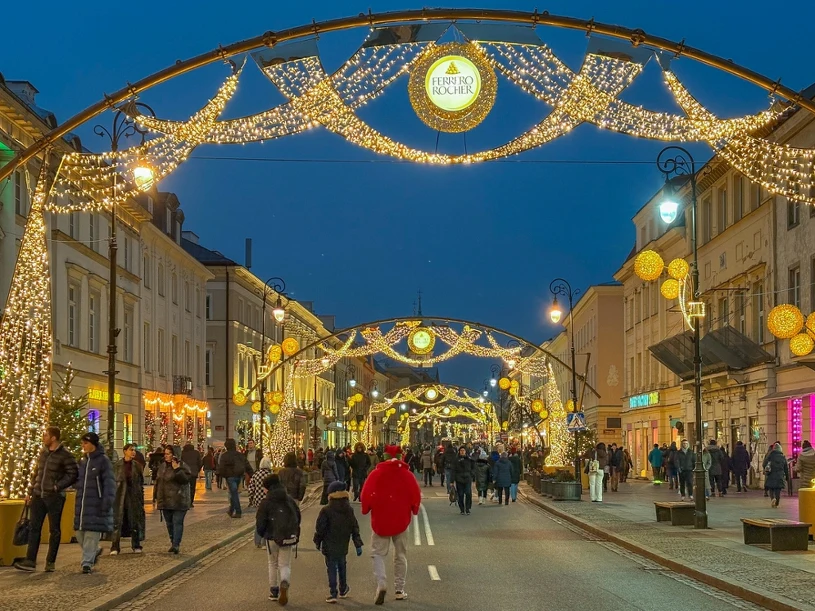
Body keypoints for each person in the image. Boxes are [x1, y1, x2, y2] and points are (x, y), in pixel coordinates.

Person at [361, 445, 421, 605]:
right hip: (401, 519)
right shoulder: (407, 475)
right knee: (400, 555)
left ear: (384, 457)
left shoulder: (376, 474)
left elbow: (365, 493)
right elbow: (415, 494)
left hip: (381, 519)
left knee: (378, 553)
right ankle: (400, 589)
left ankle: (381, 583)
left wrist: (366, 508)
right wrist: (414, 509)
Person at [13, 426, 78, 573]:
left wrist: (57, 486)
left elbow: (73, 473)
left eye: (46, 435)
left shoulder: (65, 455)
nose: (43, 437)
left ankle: (50, 562)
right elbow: (36, 473)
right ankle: (30, 561)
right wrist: (30, 491)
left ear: (53, 438)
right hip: (38, 495)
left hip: (54, 497)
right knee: (34, 528)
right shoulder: (43, 453)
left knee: (54, 529)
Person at [315, 480, 364, 603]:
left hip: (329, 543)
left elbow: (320, 528)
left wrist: (317, 541)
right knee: (342, 565)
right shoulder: (349, 510)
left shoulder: (326, 510)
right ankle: (343, 589)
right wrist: (357, 543)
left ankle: (333, 593)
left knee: (331, 567)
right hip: (343, 543)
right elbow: (354, 527)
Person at [256, 474, 302, 605]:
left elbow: (260, 522)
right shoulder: (289, 499)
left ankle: (274, 591)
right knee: (285, 564)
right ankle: (285, 581)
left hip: (272, 536)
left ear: (268, 487)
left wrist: (263, 534)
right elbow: (298, 516)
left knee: (272, 563)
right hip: (287, 536)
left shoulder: (266, 502)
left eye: (264, 488)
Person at [73, 432, 115, 574]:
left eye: (85, 443)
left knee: (91, 535)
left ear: (93, 444)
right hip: (83, 506)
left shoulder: (103, 461)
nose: (83, 446)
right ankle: (94, 551)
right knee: (80, 534)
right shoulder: (83, 461)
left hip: (96, 505)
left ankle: (87, 563)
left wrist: (106, 503)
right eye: (82, 443)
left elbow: (109, 483)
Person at [110, 443, 146, 555]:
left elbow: (140, 482)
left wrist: (141, 497)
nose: (133, 452)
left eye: (134, 450)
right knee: (117, 521)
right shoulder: (117, 466)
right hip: (120, 497)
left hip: (133, 496)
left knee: (134, 521)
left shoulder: (137, 466)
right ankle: (115, 546)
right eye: (131, 450)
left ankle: (136, 545)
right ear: (125, 451)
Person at [156, 445, 192, 553]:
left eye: (168, 454)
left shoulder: (182, 466)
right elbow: (159, 482)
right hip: (166, 500)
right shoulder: (162, 466)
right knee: (169, 523)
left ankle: (176, 544)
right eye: (165, 454)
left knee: (177, 522)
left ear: (174, 455)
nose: (166, 456)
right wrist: (156, 497)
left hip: (179, 499)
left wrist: (177, 469)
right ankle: (173, 542)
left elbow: (185, 480)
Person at [218, 438, 252, 518]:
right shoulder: (240, 455)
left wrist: (223, 475)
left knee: (234, 494)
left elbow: (222, 467)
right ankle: (231, 510)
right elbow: (246, 464)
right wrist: (251, 473)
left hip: (230, 476)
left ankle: (238, 511)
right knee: (234, 493)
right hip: (239, 475)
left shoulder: (225, 455)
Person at [249, 457, 274, 547]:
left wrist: (251, 499)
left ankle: (257, 541)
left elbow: (251, 488)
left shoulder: (256, 475)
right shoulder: (271, 475)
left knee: (259, 520)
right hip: (269, 501)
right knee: (268, 521)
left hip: (258, 501)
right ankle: (264, 542)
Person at [763, 442, 789, 508]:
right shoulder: (783, 457)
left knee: (771, 488)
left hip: (771, 474)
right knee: (778, 489)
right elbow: (786, 468)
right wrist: (787, 477)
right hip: (780, 475)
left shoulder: (770, 456)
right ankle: (777, 502)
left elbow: (764, 464)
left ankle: (772, 499)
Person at [454, 445, 475, 515]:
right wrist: (451, 480)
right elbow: (453, 470)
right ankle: (462, 509)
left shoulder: (469, 459)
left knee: (468, 493)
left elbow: (473, 467)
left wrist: (472, 474)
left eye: (463, 451)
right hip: (459, 479)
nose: (462, 452)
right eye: (461, 451)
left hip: (467, 478)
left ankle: (468, 508)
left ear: (466, 452)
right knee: (460, 495)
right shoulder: (456, 460)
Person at [181, 443, 202, 508]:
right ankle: (190, 502)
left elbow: (180, 462)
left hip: (184, 473)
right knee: (192, 488)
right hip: (193, 473)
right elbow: (200, 463)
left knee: (184, 487)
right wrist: (197, 470)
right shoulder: (196, 453)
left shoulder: (183, 453)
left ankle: (184, 501)